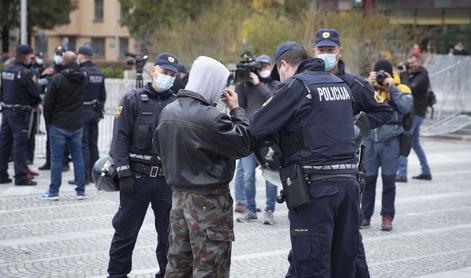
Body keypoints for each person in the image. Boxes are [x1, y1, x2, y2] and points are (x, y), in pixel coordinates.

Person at [250, 41, 362, 277]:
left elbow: (257, 126)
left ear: (283, 65)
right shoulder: (339, 83)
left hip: (316, 190)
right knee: (344, 264)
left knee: (311, 264)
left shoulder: (297, 86)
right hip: (349, 187)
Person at [155, 56, 252, 277]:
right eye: (221, 84)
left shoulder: (168, 111)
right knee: (211, 267)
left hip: (179, 198)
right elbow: (244, 143)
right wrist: (237, 110)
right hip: (209, 201)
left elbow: (159, 148)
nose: (222, 92)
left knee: (178, 265)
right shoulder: (210, 117)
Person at [107, 52, 179, 278]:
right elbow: (119, 139)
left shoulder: (177, 103)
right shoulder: (132, 100)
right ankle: (117, 275)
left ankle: (166, 274)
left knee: (169, 236)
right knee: (125, 233)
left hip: (166, 181)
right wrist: (124, 173)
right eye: (164, 72)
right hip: (136, 179)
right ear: (154, 70)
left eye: (172, 74)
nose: (167, 77)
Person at [361, 60, 413, 231]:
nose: (382, 77)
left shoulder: (402, 88)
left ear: (391, 73)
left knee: (389, 182)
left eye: (385, 74)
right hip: (370, 140)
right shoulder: (367, 87)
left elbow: (406, 107)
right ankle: (364, 216)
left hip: (391, 141)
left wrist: (392, 88)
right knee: (367, 181)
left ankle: (387, 217)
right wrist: (366, 85)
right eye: (379, 74)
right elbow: (354, 105)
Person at [235, 54, 280, 225]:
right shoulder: (246, 86)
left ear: (270, 67)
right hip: (250, 136)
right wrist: (240, 82)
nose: (262, 69)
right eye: (259, 66)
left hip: (268, 139)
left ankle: (269, 210)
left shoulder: (274, 84)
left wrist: (258, 84)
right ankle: (250, 210)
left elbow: (274, 100)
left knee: (270, 176)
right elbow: (238, 103)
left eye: (265, 66)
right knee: (247, 176)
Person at [41, 51, 88, 200]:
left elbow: (48, 103)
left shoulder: (57, 79)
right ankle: (81, 191)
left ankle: (54, 191)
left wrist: (48, 122)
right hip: (77, 123)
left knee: (56, 159)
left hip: (58, 123)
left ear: (62, 62)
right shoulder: (83, 78)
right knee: (78, 158)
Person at [0, 44, 42, 186]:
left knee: (4, 144)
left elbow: (2, 92)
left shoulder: (7, 71)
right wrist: (37, 102)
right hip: (20, 114)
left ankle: (2, 174)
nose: (32, 58)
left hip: (6, 111)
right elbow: (35, 91)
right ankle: (21, 176)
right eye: (31, 56)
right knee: (20, 145)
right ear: (25, 57)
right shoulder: (26, 73)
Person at [68, 45, 106, 185]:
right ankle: (94, 174)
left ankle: (83, 175)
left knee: (82, 144)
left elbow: (74, 93)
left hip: (82, 111)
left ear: (81, 56)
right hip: (94, 111)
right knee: (93, 144)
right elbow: (103, 95)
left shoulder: (80, 73)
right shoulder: (98, 73)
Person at [397, 54, 432, 182]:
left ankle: (402, 173)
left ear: (420, 62)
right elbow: (400, 87)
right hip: (412, 113)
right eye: (409, 63)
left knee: (405, 140)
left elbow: (408, 89)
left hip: (416, 113)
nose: (410, 65)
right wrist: (401, 74)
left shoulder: (422, 76)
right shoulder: (413, 74)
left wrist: (405, 74)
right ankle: (426, 172)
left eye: (412, 63)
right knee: (415, 144)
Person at [38, 45, 70, 172]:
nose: (58, 57)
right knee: (49, 136)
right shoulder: (52, 68)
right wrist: (44, 74)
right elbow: (42, 84)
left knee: (64, 137)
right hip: (50, 108)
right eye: (57, 53)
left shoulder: (67, 70)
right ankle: (49, 161)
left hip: (62, 109)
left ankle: (64, 162)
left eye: (60, 54)